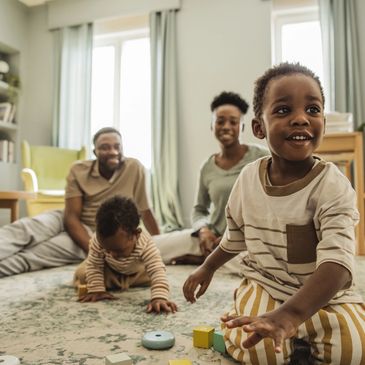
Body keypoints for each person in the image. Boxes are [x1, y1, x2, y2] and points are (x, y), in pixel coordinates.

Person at [183, 63, 365, 364]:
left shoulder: (332, 184)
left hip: (325, 294)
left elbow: (339, 264)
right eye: (283, 111)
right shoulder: (248, 179)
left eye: (313, 109)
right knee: (258, 351)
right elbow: (235, 237)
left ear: (323, 121)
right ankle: (277, 324)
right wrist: (208, 267)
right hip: (267, 284)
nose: (300, 119)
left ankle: (298, 329)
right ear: (259, 128)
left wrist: (291, 314)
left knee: (354, 350)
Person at [0, 127, 160, 277]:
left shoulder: (134, 168)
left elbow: (146, 212)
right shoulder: (79, 169)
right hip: (69, 219)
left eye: (117, 146)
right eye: (105, 147)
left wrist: (159, 244)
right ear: (95, 152)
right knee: (23, 228)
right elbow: (71, 218)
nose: (113, 151)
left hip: (98, 234)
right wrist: (93, 250)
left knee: (33, 255)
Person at [154, 91, 268, 269]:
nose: (226, 126)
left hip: (245, 243)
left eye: (233, 122)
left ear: (243, 127)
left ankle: (209, 260)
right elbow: (199, 210)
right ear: (212, 126)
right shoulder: (208, 167)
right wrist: (203, 230)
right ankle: (208, 256)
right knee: (151, 247)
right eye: (220, 121)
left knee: (253, 266)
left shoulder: (262, 157)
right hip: (213, 238)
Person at [74, 196, 177, 314]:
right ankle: (110, 283)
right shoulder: (98, 240)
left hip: (136, 273)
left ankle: (117, 284)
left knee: (156, 275)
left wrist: (159, 298)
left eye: (118, 250)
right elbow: (95, 266)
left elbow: (157, 270)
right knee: (82, 273)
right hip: (109, 270)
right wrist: (97, 290)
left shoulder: (145, 244)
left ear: (136, 234)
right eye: (106, 249)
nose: (112, 254)